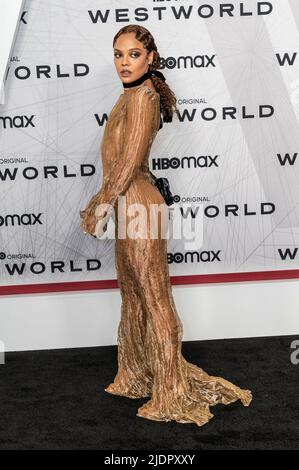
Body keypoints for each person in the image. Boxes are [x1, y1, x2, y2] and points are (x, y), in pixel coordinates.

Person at [80, 24, 252, 427]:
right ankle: (138, 374)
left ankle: (171, 389)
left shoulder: (144, 97)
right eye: (119, 54)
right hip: (127, 205)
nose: (124, 62)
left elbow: (127, 163)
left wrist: (99, 204)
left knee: (154, 297)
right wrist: (107, 204)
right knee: (132, 296)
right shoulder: (126, 97)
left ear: (151, 58)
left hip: (139, 204)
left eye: (133, 54)